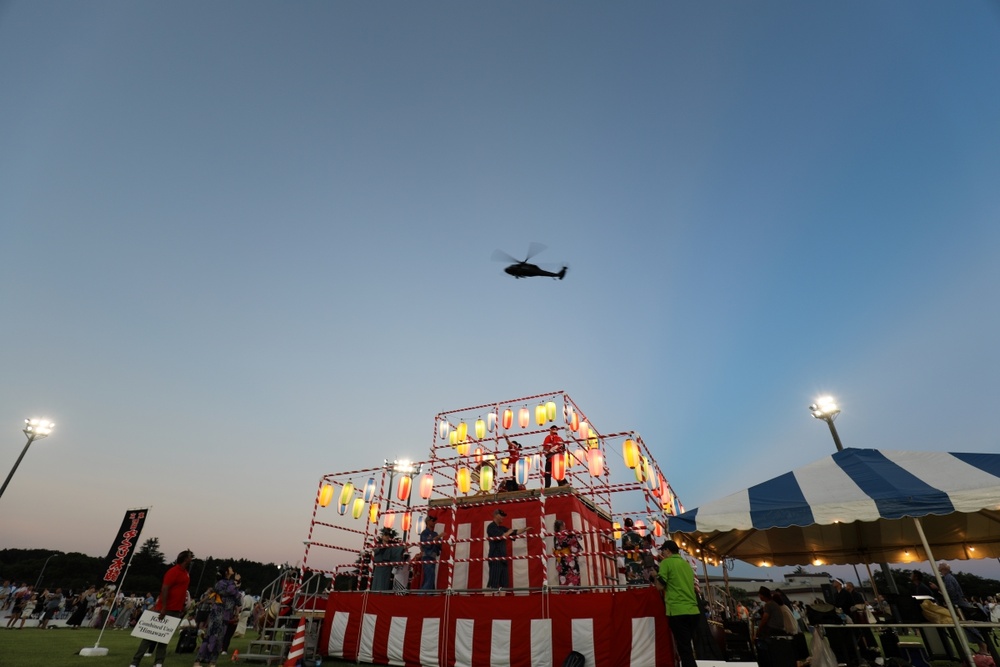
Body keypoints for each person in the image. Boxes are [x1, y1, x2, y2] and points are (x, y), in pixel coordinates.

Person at [130, 549, 193, 667]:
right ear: (185, 559)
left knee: (164, 637)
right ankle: (135, 662)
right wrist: (163, 607)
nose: (191, 558)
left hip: (176, 609)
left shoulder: (186, 573)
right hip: (166, 608)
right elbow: (165, 588)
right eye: (190, 556)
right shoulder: (173, 571)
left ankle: (159, 662)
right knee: (149, 637)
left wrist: (183, 606)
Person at [653, 540, 700, 667]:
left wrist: (655, 576)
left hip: (677, 611)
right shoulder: (686, 565)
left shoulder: (666, 563)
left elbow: (659, 586)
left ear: (668, 550)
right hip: (693, 611)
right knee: (687, 647)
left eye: (663, 550)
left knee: (684, 649)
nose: (662, 553)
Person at [194, 563, 243, 667]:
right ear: (226, 572)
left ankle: (212, 662)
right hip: (217, 614)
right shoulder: (220, 583)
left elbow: (238, 599)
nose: (232, 569)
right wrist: (236, 583)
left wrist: (235, 585)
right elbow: (230, 591)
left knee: (219, 640)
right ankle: (198, 661)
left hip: (226, 615)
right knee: (210, 637)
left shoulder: (230, 583)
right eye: (230, 568)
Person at [935, 561, 988, 654]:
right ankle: (982, 648)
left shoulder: (948, 578)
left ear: (944, 568)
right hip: (959, 603)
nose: (938, 566)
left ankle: (983, 647)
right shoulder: (950, 578)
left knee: (968, 626)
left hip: (959, 605)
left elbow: (951, 592)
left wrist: (940, 592)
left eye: (940, 565)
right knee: (968, 626)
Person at [486, 509, 530, 591]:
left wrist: (524, 529)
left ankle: (502, 602)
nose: (503, 518)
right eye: (501, 515)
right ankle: (489, 601)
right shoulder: (491, 527)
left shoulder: (501, 527)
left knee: (504, 583)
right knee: (493, 582)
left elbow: (514, 532)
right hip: (495, 557)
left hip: (503, 557)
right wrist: (509, 532)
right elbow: (503, 535)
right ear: (496, 515)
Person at [552, 520, 582, 586]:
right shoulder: (566, 533)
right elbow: (576, 536)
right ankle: (574, 592)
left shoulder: (555, 536)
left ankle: (564, 593)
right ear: (562, 526)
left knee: (563, 577)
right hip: (568, 559)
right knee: (572, 576)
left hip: (560, 559)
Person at [419, 514, 442, 590]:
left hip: (433, 556)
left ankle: (428, 593)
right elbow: (426, 544)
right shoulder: (424, 533)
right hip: (427, 556)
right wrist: (436, 539)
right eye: (432, 521)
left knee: (431, 576)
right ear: (428, 521)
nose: (434, 522)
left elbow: (440, 545)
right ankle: (424, 594)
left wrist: (437, 540)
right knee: (429, 576)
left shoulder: (435, 533)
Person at [620, 518, 645, 585]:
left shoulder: (624, 536)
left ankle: (632, 589)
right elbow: (642, 546)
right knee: (639, 575)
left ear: (625, 526)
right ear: (633, 525)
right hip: (638, 558)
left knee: (630, 576)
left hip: (629, 559)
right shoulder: (637, 534)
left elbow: (623, 548)